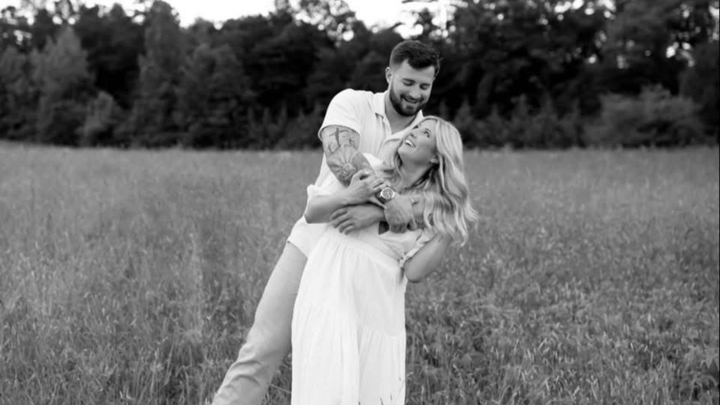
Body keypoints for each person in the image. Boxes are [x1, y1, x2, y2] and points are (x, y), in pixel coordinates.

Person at [212, 40, 441, 405]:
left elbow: (438, 200)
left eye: (424, 86)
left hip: (371, 271)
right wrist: (389, 200)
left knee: (355, 372)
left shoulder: (428, 134)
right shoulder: (352, 103)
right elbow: (342, 159)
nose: (415, 93)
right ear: (389, 75)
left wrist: (374, 213)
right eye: (408, 82)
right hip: (314, 243)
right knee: (263, 348)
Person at [292, 116, 479, 404]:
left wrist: (447, 225)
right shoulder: (368, 168)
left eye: (425, 133)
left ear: (436, 157)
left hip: (378, 304)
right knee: (326, 385)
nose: (412, 133)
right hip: (330, 284)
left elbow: (415, 272)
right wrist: (350, 196)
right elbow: (313, 212)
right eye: (415, 128)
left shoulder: (432, 210)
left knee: (373, 392)